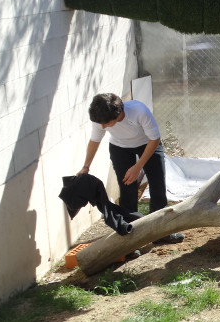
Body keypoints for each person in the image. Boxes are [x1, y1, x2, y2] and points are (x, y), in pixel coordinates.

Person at [78, 93, 184, 244]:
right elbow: (95, 140)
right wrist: (85, 167)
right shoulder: (100, 116)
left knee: (157, 186)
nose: (102, 127)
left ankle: (160, 233)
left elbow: (155, 139)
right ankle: (130, 237)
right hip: (120, 148)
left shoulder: (139, 111)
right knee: (127, 189)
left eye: (106, 123)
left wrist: (138, 167)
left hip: (148, 144)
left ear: (118, 114)